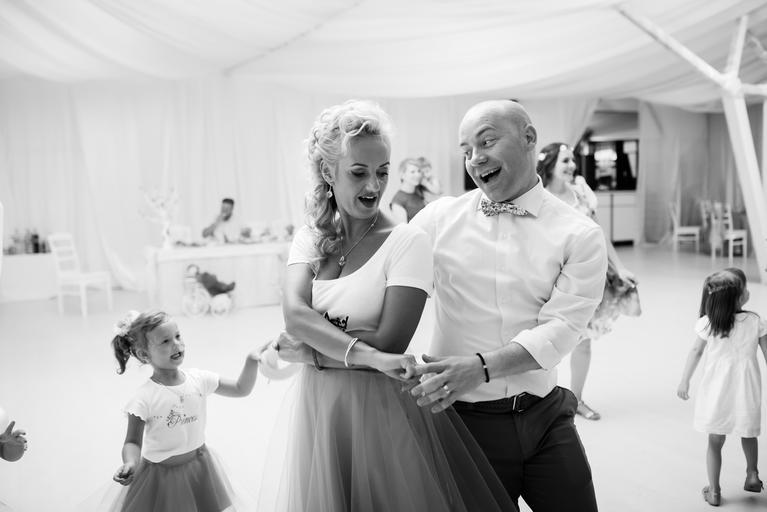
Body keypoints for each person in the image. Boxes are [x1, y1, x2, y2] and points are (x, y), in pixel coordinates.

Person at [266, 99, 514, 511]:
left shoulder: (407, 242)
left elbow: (389, 343)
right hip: (319, 407)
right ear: (328, 172)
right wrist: (360, 351)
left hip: (379, 410)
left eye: (382, 172)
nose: (373, 186)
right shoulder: (309, 237)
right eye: (358, 172)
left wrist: (311, 350)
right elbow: (294, 314)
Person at [408, 100, 607, 512]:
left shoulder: (580, 234)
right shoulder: (437, 220)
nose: (475, 158)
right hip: (462, 425)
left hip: (546, 417)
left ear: (529, 138)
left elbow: (562, 329)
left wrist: (480, 367)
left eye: (487, 142)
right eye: (466, 150)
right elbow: (385, 282)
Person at [107, 309, 261, 511]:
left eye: (177, 336)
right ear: (144, 354)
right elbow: (132, 441)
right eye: (165, 341)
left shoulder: (199, 379)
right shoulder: (144, 397)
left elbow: (241, 389)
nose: (176, 344)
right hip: (162, 477)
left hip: (200, 467)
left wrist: (251, 361)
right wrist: (130, 463)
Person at [537, 142, 640, 420]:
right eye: (565, 161)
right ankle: (539, 401)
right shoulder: (538, 196)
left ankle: (577, 399)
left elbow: (598, 233)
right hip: (550, 280)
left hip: (586, 277)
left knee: (583, 340)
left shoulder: (581, 193)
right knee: (543, 341)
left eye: (572, 160)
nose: (572, 165)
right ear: (550, 165)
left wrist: (619, 267)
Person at [677, 268, 767, 507]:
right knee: (749, 434)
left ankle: (714, 491)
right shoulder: (755, 321)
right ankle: (752, 474)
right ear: (737, 299)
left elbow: (695, 351)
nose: (748, 292)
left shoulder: (708, 323)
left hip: (717, 391)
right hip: (747, 388)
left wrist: (685, 380)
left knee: (715, 441)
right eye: (744, 289)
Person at [390, 157, 426, 223]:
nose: (418, 175)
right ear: (402, 175)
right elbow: (404, 228)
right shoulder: (398, 201)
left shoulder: (419, 192)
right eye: (412, 172)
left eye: (419, 171)